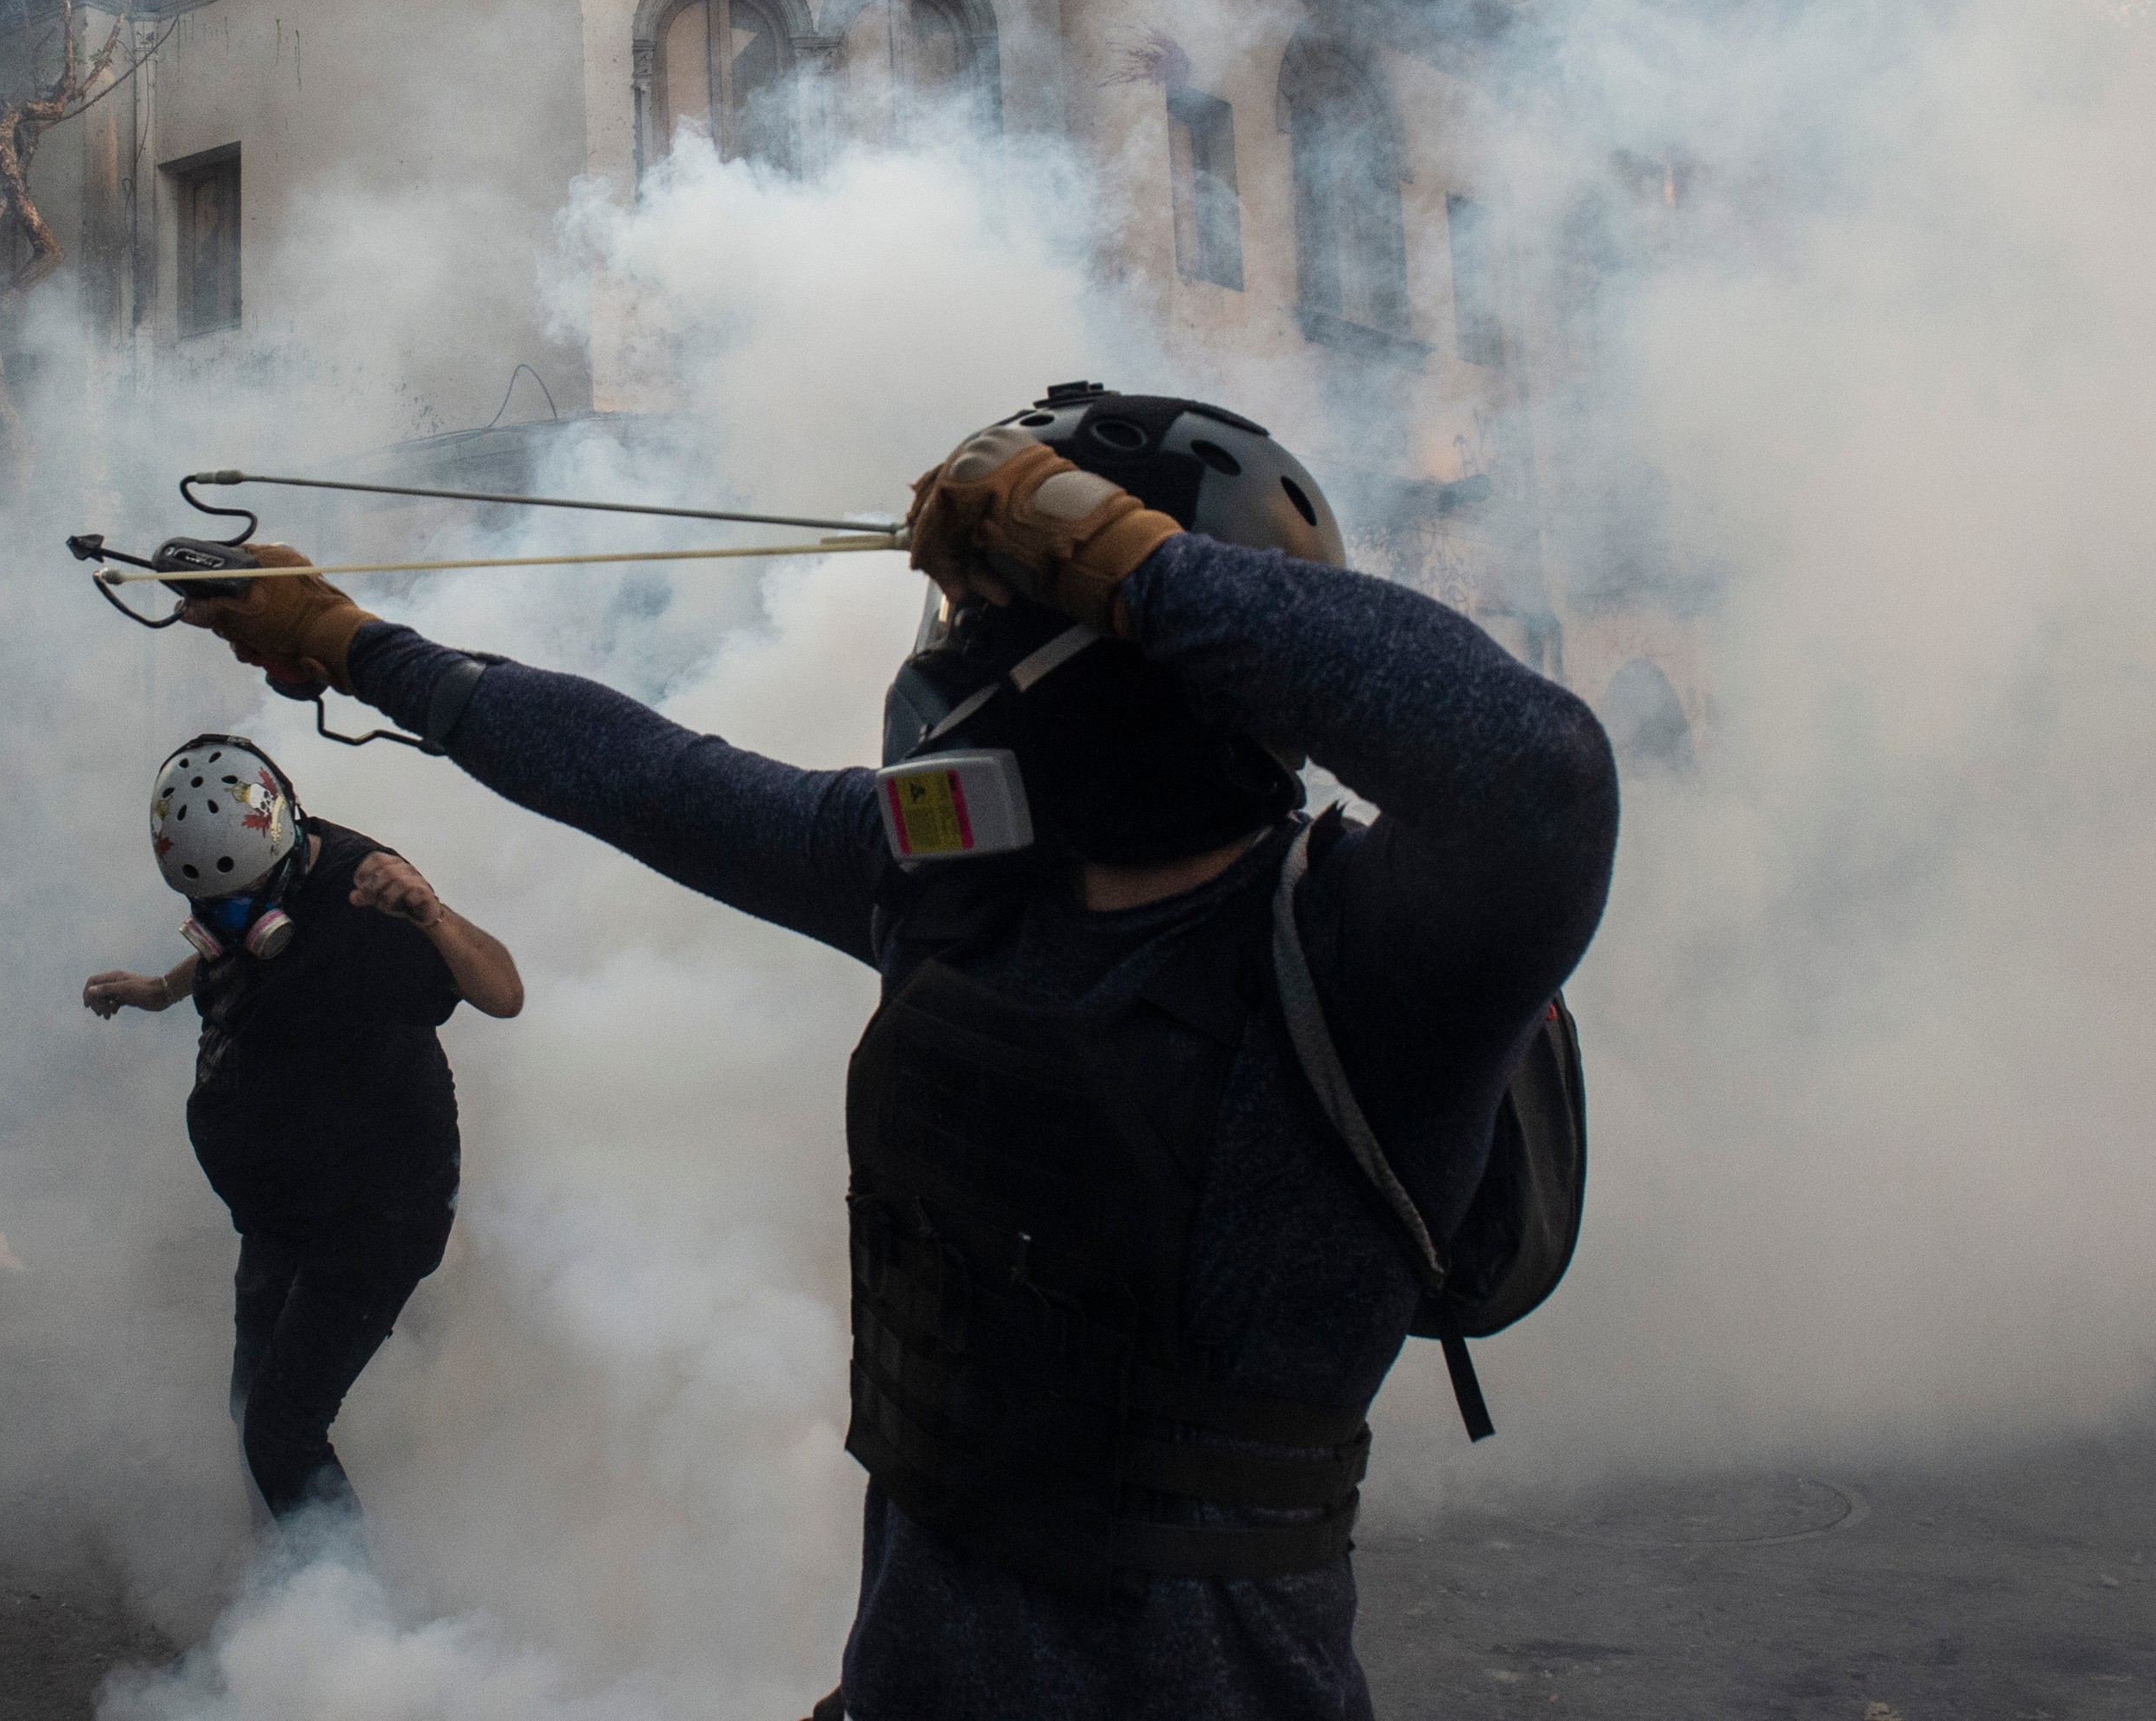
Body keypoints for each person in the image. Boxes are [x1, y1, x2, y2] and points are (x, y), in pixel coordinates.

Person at [165, 386, 1620, 1718]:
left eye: (985, 606)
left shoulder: (1371, 964)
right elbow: (647, 776)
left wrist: (1124, 556)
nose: (947, 648)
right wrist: (348, 641)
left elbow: (1539, 771)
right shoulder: (953, 887)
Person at [84, 733, 524, 1536]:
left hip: (375, 1214)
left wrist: (431, 914)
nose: (231, 921)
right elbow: (232, 948)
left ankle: (347, 1610)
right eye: (210, 908)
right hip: (286, 1207)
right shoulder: (249, 894)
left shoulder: (369, 902)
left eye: (245, 900)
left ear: (284, 853)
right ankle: (289, 1590)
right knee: (252, 1407)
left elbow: (504, 992)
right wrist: (160, 990)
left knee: (281, 1431)